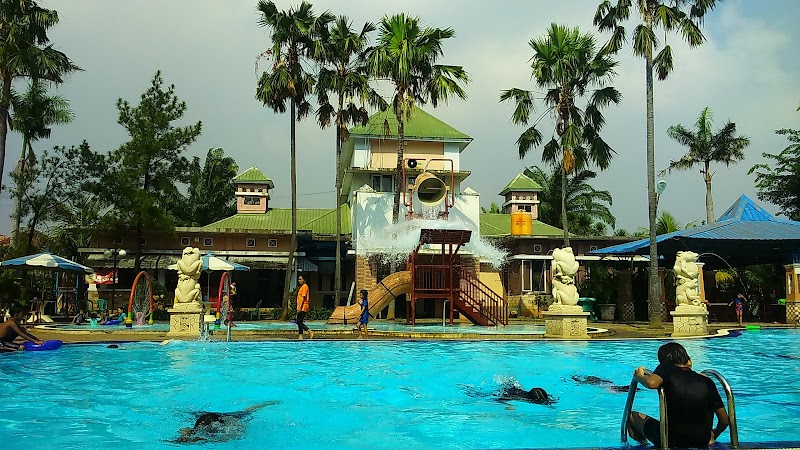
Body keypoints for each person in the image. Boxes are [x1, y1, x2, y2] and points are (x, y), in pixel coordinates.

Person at [628, 342, 729, 448]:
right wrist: (713, 435)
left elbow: (652, 383)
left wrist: (639, 376)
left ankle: (643, 445)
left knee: (631, 416)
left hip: (670, 440)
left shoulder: (667, 367)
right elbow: (724, 421)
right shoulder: (707, 381)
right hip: (702, 441)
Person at [171, 400, 280, 443]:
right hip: (207, 417)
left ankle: (268, 403)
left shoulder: (231, 422)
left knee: (247, 411)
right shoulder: (198, 428)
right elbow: (184, 430)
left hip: (224, 417)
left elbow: (238, 434)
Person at [295, 275, 313, 340]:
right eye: (298, 279)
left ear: (304, 280)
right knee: (299, 321)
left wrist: (299, 307)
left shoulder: (305, 287)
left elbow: (303, 297)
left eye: (300, 279)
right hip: (301, 306)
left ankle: (309, 331)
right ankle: (300, 336)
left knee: (298, 321)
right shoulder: (302, 287)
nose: (299, 280)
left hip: (303, 306)